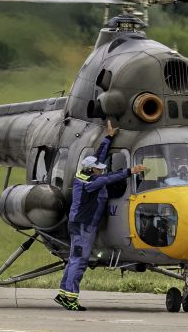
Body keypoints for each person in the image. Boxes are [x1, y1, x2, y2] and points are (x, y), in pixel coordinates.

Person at [55, 120, 146, 311]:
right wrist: (131, 171)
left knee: (74, 259)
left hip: (79, 224)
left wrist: (108, 137)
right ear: (92, 170)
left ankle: (64, 293)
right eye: (98, 168)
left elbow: (99, 157)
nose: (101, 168)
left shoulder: (85, 174)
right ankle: (71, 298)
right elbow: (109, 178)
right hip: (83, 226)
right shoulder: (91, 183)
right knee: (80, 261)